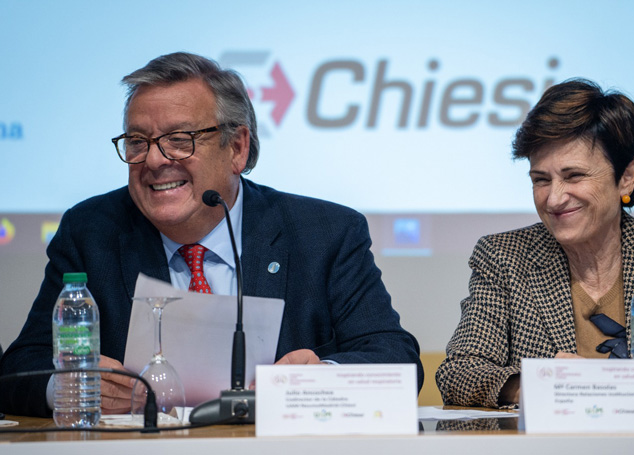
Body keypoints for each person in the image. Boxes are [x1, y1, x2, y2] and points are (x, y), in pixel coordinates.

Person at [0, 52, 423, 417]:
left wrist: (320, 381)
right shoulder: (91, 233)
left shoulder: (324, 233)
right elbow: (19, 370)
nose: (154, 160)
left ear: (236, 147)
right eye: (137, 141)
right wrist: (75, 388)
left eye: (179, 140)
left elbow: (397, 360)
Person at [436, 78, 634, 408]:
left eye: (574, 176)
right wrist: (538, 387)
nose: (554, 198)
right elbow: (458, 372)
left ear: (626, 176)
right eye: (541, 180)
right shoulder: (504, 257)